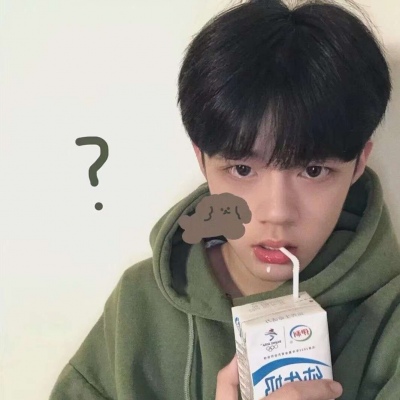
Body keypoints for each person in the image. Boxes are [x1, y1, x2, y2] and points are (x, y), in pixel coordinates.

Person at [50, 0, 400, 399]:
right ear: (202, 160)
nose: (276, 213)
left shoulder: (390, 323)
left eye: (314, 170)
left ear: (358, 165)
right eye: (243, 169)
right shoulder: (139, 304)